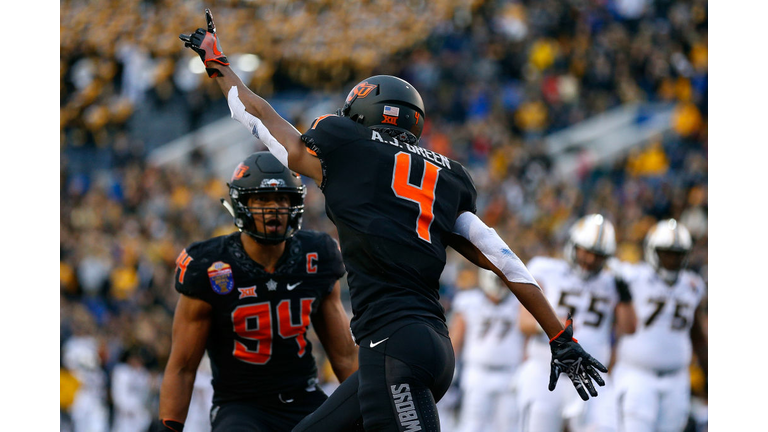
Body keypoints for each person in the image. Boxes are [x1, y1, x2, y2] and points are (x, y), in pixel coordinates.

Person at [180, 10, 608, 431]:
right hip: (428, 348)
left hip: (393, 344)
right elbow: (503, 258)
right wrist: (559, 336)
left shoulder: (345, 142)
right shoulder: (449, 174)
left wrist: (219, 66)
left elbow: (265, 124)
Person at [154, 151, 358, 432]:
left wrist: (372, 412)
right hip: (240, 406)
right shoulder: (209, 265)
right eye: (262, 199)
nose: (274, 208)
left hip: (304, 399)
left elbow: (345, 356)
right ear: (242, 204)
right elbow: (183, 367)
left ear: (295, 203)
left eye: (282, 198)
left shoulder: (317, 254)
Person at [516, 214, 637, 432]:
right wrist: (553, 327)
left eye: (598, 255)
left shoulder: (612, 282)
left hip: (590, 377)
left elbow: (629, 328)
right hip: (545, 372)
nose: (590, 260)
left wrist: (625, 294)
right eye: (586, 251)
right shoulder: (546, 270)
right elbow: (524, 322)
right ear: (573, 245)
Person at [611, 219, 707, 432]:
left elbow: (698, 335)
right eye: (666, 253)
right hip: (637, 376)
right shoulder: (633, 277)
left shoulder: (693, 285)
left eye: (677, 254)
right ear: (652, 251)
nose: (672, 260)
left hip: (676, 379)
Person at [449, 268, 527, 432]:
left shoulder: (519, 303)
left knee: (509, 426)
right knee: (473, 424)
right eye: (498, 281)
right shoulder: (469, 301)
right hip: (477, 372)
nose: (501, 285)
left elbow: (527, 337)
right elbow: (456, 337)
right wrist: (450, 368)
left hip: (510, 373)